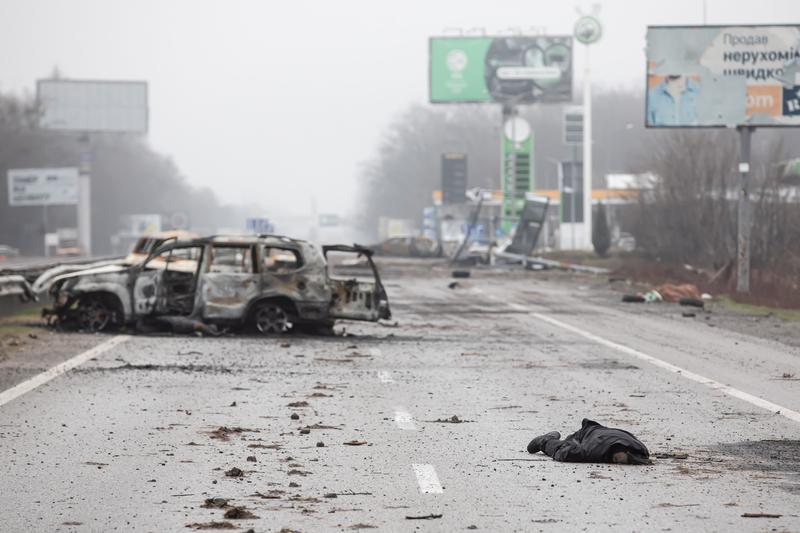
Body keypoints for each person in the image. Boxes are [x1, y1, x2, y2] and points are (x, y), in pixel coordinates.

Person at [527, 418, 651, 464]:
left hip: (598, 432)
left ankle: (546, 440)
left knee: (566, 449)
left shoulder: (592, 450)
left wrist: (547, 443)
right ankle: (546, 441)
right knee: (567, 448)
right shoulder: (641, 450)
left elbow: (566, 452)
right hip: (596, 433)